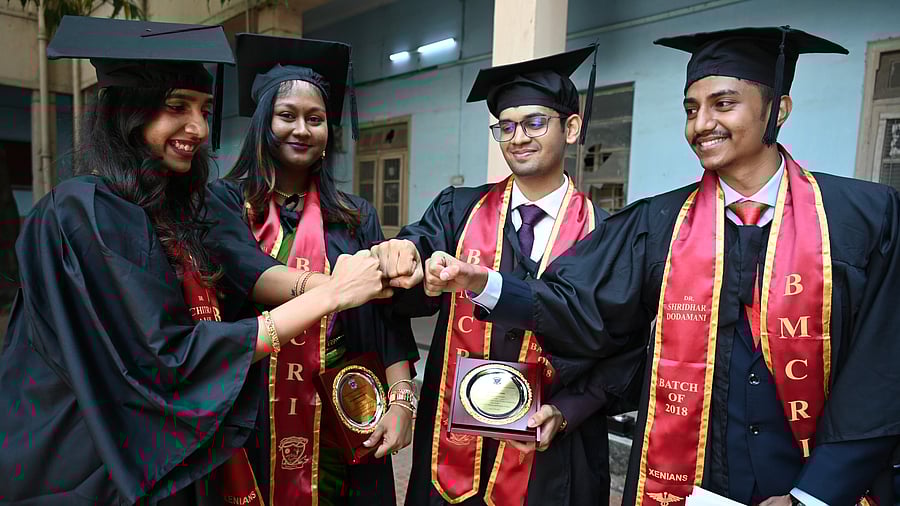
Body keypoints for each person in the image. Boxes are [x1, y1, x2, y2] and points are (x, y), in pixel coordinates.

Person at [421, 26, 900, 505]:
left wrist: (811, 495)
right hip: (689, 479)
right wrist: (484, 284)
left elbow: (879, 372)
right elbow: (577, 304)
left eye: (724, 104)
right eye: (691, 109)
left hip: (816, 481)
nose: (701, 123)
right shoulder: (658, 222)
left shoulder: (865, 218)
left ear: (779, 110)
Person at [0, 16, 388, 505]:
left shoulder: (166, 212)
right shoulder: (83, 212)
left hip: (155, 454)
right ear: (127, 112)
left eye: (204, 109)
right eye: (176, 107)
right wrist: (330, 293)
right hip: (93, 459)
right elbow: (165, 359)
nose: (199, 128)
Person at [373, 46, 640, 506]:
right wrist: (413, 267)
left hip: (553, 454)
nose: (518, 137)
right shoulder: (457, 210)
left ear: (571, 128)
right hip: (451, 452)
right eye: (506, 126)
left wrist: (569, 410)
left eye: (534, 122)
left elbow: (626, 348)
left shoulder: (608, 232)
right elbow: (413, 272)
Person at [206, 33, 419, 506]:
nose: (302, 128)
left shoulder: (355, 214)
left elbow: (387, 319)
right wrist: (341, 287)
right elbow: (251, 273)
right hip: (254, 412)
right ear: (263, 124)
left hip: (347, 407)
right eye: (287, 116)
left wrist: (402, 399)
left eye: (316, 119)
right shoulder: (226, 203)